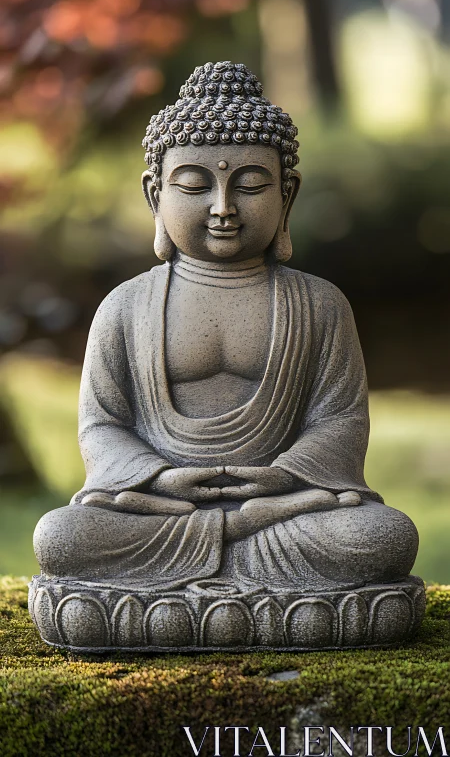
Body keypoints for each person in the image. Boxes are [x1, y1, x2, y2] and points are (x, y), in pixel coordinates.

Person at [34, 62, 418, 594]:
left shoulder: (320, 305)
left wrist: (285, 476)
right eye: (194, 185)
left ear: (287, 196)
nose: (223, 207)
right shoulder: (125, 307)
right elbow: (101, 426)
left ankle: (211, 565)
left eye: (251, 185)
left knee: (382, 538)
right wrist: (160, 478)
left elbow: (341, 420)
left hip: (283, 510)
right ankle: (241, 547)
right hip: (162, 511)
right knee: (61, 538)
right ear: (155, 196)